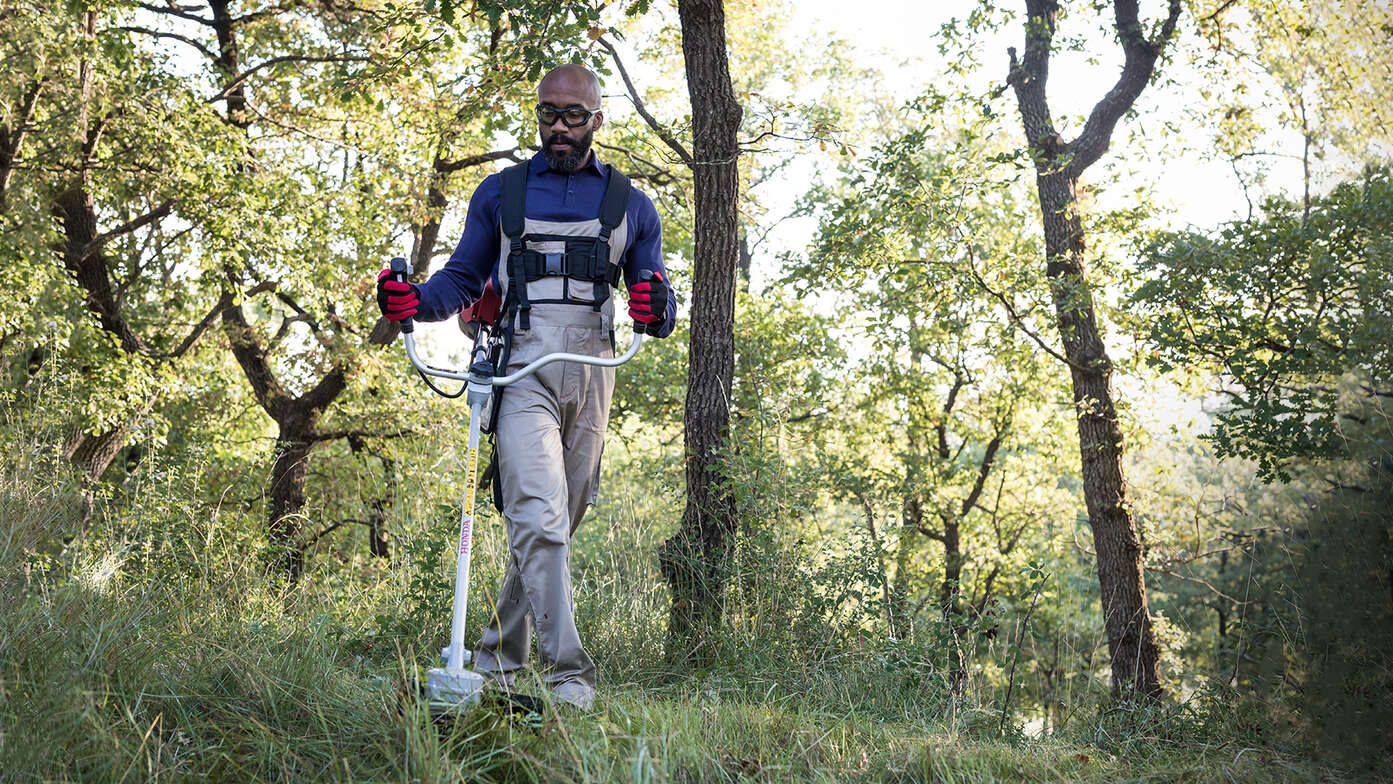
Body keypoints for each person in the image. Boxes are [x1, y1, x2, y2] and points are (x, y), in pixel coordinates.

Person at [376, 64, 676, 710]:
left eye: (573, 116)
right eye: (548, 114)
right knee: (537, 518)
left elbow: (654, 292)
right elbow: (457, 281)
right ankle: (569, 676)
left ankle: (494, 662)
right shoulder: (501, 194)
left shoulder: (630, 204)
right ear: (536, 116)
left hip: (594, 372)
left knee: (553, 528)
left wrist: (658, 307)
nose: (559, 128)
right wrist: (410, 304)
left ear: (597, 121)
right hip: (521, 366)